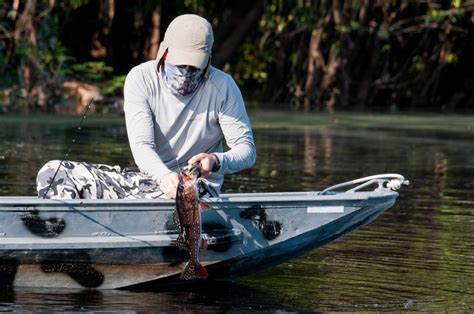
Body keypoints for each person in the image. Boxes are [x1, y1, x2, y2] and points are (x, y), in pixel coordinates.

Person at [36, 14, 256, 200]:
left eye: (194, 65)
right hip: (151, 180)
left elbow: (247, 151)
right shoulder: (140, 78)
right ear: (165, 52)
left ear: (208, 60)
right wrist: (163, 176)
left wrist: (216, 161)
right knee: (53, 172)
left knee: (185, 190)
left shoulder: (223, 86)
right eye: (180, 63)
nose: (186, 71)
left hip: (196, 188)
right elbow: (142, 145)